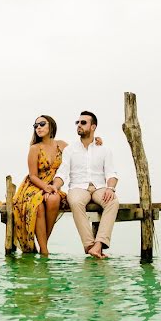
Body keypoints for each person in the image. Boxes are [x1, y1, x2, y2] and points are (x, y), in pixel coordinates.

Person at [12, 116, 104, 255]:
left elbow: (81, 150)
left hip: (53, 187)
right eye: (35, 125)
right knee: (38, 205)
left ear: (51, 126)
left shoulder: (62, 145)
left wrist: (95, 142)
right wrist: (45, 187)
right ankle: (44, 250)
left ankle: (44, 243)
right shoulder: (34, 148)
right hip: (34, 186)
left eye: (42, 124)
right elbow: (33, 176)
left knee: (54, 199)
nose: (38, 127)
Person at [51, 111, 119, 259]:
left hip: (99, 187)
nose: (79, 125)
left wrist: (110, 188)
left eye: (83, 122)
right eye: (78, 122)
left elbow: (111, 174)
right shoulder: (70, 150)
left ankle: (99, 244)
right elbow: (62, 173)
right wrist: (55, 186)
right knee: (74, 201)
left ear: (93, 126)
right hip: (78, 187)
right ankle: (89, 245)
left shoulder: (104, 150)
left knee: (113, 201)